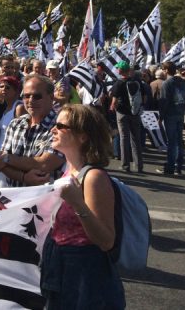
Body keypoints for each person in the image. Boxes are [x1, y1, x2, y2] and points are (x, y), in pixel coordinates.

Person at [40, 104, 125, 309]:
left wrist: (77, 203)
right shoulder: (68, 170)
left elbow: (106, 241)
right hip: (58, 262)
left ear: (83, 136)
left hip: (84, 273)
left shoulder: (94, 178)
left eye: (61, 126)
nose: (53, 129)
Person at [0, 74, 64, 187]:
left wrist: (7, 158)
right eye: (26, 96)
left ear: (51, 98)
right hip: (15, 195)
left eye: (37, 96)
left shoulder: (61, 127)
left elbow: (44, 164)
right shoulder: (15, 124)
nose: (31, 100)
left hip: (46, 196)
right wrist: (23, 177)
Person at [0, 75, 25, 188]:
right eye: (1, 87)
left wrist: (9, 156)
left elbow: (21, 135)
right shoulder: (5, 107)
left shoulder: (19, 107)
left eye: (7, 87)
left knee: (4, 188)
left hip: (10, 155)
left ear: (16, 91)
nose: (3, 89)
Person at [109, 60, 148, 173]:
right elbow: (144, 97)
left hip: (122, 113)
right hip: (135, 113)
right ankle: (139, 166)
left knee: (124, 138)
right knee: (136, 139)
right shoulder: (137, 81)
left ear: (121, 71)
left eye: (118, 68)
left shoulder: (119, 83)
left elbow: (114, 101)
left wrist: (113, 108)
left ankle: (125, 165)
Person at [157, 62, 185, 175]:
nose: (163, 71)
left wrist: (161, 117)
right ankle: (178, 166)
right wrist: (182, 107)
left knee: (172, 142)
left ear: (167, 70)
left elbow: (164, 102)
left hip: (170, 114)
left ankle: (170, 167)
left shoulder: (167, 83)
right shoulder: (183, 82)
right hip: (179, 113)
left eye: (163, 69)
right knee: (178, 140)